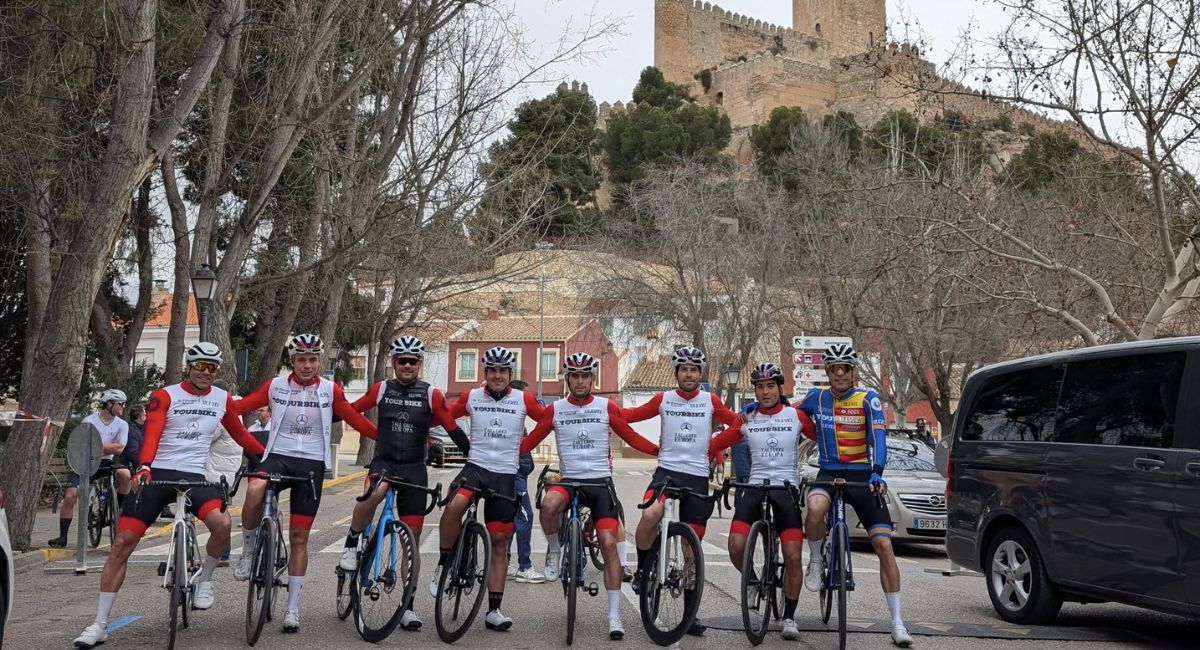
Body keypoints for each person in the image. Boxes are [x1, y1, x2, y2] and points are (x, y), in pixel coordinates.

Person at [72, 343, 266, 649]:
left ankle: (205, 582)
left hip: (195, 476)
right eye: (200, 366)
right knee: (122, 543)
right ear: (188, 366)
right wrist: (145, 465)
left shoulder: (221, 399)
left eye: (212, 368)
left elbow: (241, 435)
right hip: (159, 472)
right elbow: (153, 431)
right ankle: (99, 624)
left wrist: (266, 457)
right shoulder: (166, 395)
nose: (205, 373)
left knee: (223, 525)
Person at [231, 333, 378, 634]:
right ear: (292, 360)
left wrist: (385, 439)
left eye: (312, 360)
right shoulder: (275, 386)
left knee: (299, 538)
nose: (307, 365)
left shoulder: (330, 390)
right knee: (255, 489)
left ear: (319, 360)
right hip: (279, 457)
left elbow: (353, 417)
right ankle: (248, 551)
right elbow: (241, 407)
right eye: (301, 359)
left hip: (311, 463)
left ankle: (292, 608)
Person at [518, 352, 659, 640]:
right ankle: (555, 550)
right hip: (569, 482)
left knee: (608, 543)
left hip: (599, 483)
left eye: (585, 376)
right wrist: (501, 453)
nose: (580, 380)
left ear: (592, 379)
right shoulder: (556, 410)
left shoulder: (606, 407)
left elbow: (629, 436)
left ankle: (614, 615)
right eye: (575, 375)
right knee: (548, 504)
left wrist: (658, 451)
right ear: (567, 379)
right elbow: (531, 440)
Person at [338, 335, 471, 631]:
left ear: (419, 364)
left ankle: (408, 606)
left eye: (413, 361)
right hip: (384, 462)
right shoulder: (382, 388)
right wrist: (367, 430)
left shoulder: (431, 394)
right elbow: (351, 410)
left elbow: (451, 426)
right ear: (394, 363)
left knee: (410, 541)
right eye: (402, 361)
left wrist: (472, 455)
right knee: (376, 492)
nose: (407, 366)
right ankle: (350, 543)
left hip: (414, 468)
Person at [618, 346, 738, 637]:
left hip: (697, 477)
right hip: (666, 473)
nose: (688, 374)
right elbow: (628, 416)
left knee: (690, 551)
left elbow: (737, 423)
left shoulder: (710, 400)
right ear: (676, 373)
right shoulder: (663, 399)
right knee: (650, 515)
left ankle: (689, 614)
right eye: (683, 369)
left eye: (694, 369)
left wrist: (714, 446)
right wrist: (603, 410)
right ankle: (645, 570)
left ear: (700, 373)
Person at [798, 343, 912, 647]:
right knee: (814, 507)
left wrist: (878, 471)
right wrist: (752, 410)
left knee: (884, 545)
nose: (839, 374)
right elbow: (786, 413)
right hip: (828, 472)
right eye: (833, 369)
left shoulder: (868, 399)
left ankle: (898, 622)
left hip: (862, 475)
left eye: (844, 368)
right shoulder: (816, 397)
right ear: (827, 372)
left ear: (852, 371)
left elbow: (879, 437)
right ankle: (816, 562)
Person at [427, 346, 545, 632]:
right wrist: (459, 440)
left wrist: (523, 449)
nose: (497, 376)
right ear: (485, 373)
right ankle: (444, 564)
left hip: (505, 472)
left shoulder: (523, 399)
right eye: (492, 371)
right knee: (454, 506)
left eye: (502, 371)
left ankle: (494, 610)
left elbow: (548, 421)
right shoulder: (472, 396)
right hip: (476, 468)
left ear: (509, 374)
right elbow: (446, 416)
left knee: (500, 541)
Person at [709, 363, 816, 641]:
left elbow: (825, 437)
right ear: (754, 390)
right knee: (735, 546)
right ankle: (754, 581)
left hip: (785, 490)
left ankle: (790, 616)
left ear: (779, 388)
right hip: (754, 488)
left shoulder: (796, 415)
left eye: (770, 386)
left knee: (793, 557)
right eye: (759, 387)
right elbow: (719, 442)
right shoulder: (747, 419)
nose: (765, 391)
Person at [51, 389, 131, 548]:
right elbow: (83, 446)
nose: (123, 407)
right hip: (84, 462)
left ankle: (119, 509)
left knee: (125, 474)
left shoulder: (122, 424)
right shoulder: (89, 421)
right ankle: (62, 537)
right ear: (110, 404)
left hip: (106, 463)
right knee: (70, 496)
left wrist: (96, 446)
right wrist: (108, 446)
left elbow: (120, 449)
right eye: (120, 404)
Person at [505, 379, 542, 584]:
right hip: (514, 477)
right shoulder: (512, 420)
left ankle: (506, 563)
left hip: (518, 475)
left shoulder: (518, 422)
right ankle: (524, 566)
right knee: (525, 518)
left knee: (511, 521)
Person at [205, 380, 243, 565]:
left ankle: (222, 553)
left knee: (218, 515)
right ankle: (223, 554)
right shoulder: (236, 411)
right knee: (223, 511)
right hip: (226, 470)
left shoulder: (223, 414)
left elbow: (207, 435)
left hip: (216, 471)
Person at [244, 405, 272, 472]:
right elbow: (246, 448)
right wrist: (255, 460)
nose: (258, 412)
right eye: (258, 410)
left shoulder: (275, 428)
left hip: (271, 466)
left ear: (269, 413)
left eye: (262, 410)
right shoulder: (251, 429)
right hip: (254, 467)